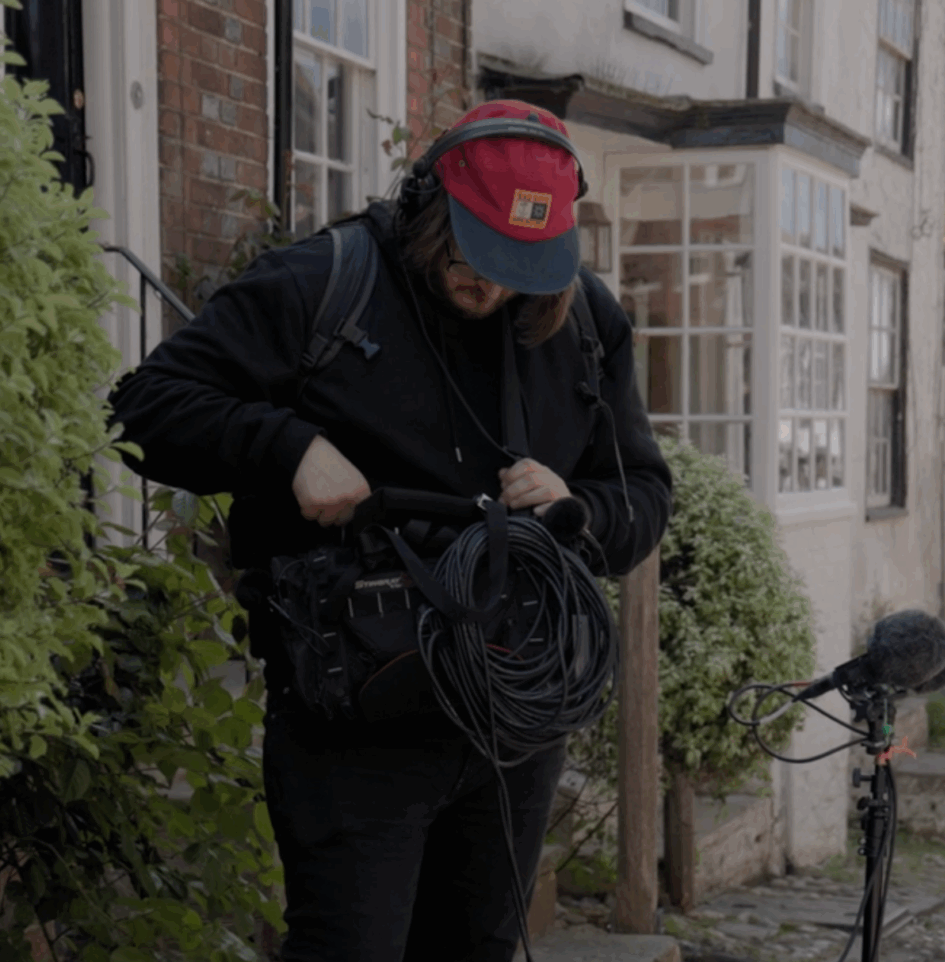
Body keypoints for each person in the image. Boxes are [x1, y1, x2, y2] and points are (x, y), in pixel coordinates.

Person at [106, 99, 672, 962]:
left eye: (520, 270)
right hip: (357, 721)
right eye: (475, 260)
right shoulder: (323, 283)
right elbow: (144, 409)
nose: (494, 290)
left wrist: (579, 508)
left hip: (513, 720)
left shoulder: (584, 320)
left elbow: (645, 497)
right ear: (428, 209)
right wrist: (290, 449)